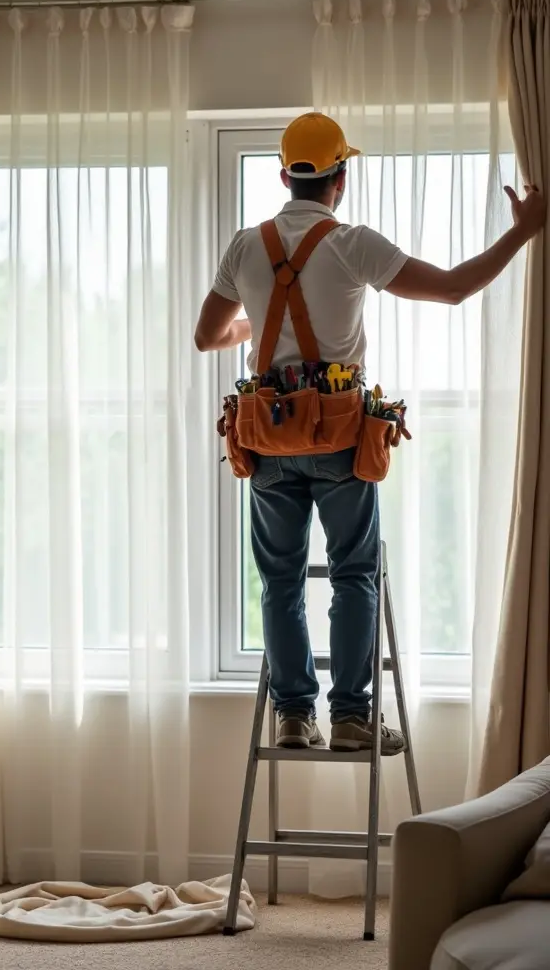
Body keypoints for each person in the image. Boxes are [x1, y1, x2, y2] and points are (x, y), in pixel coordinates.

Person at [194, 111, 545, 753]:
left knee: (280, 580)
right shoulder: (353, 242)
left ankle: (294, 716)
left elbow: (206, 336)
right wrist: (522, 233)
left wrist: (256, 329)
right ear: (342, 179)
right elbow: (454, 289)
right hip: (337, 436)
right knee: (353, 573)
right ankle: (352, 718)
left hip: (269, 438)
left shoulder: (245, 246)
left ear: (283, 176)